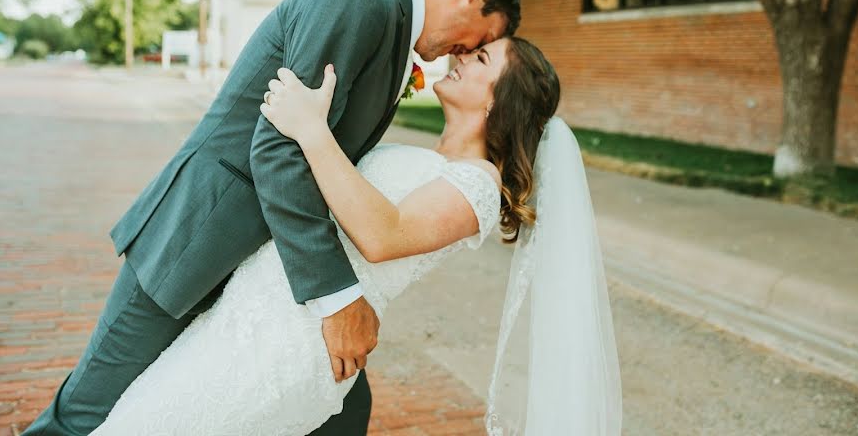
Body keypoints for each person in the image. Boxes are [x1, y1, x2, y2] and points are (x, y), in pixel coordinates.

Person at [23, 0, 522, 436]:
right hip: (196, 243)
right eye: (482, 38)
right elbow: (278, 149)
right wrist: (337, 298)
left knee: (341, 407)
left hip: (263, 273)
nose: (470, 51)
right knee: (88, 413)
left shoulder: (393, 34)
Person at [89, 35, 621, 435]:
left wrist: (312, 129)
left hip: (292, 346)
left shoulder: (477, 187)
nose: (461, 56)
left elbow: (381, 235)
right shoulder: (430, 159)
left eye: (480, 60)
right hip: (251, 318)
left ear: (498, 103)